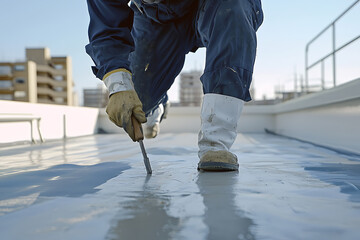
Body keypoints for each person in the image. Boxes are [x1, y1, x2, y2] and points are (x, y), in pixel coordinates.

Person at [86, 0, 263, 171]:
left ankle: (216, 143)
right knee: (139, 101)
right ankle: (158, 104)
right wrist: (119, 86)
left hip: (216, 5)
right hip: (155, 19)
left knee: (234, 6)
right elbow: (106, 27)